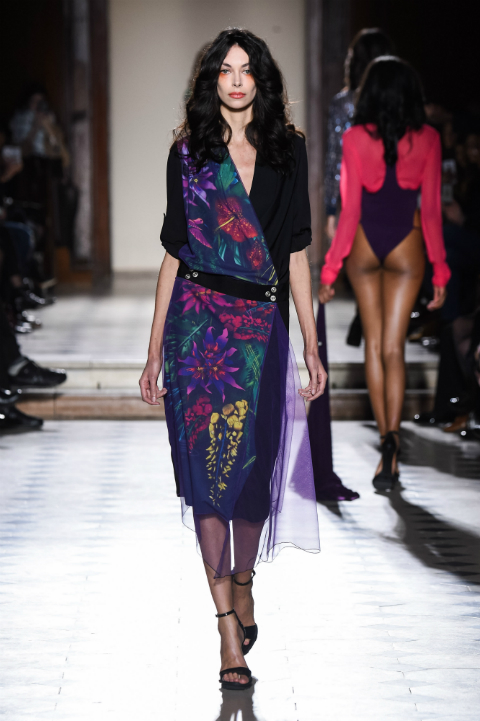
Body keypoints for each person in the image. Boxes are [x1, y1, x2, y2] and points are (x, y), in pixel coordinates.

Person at [140, 29, 324, 691]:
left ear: (261, 79)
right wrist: (154, 350)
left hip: (261, 332)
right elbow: (174, 252)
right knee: (207, 481)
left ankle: (242, 579)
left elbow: (295, 252)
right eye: (226, 69)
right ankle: (225, 628)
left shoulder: (288, 150)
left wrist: (310, 342)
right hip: (199, 334)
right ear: (211, 79)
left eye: (247, 69)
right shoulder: (189, 154)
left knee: (252, 482)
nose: (237, 80)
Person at [318, 57, 450, 491]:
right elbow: (431, 212)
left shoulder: (355, 138)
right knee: (395, 348)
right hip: (406, 244)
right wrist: (440, 269)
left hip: (364, 244)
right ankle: (393, 441)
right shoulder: (429, 138)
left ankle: (383, 443)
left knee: (373, 347)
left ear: (369, 94)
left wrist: (330, 268)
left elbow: (350, 209)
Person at [324, 28, 393, 241]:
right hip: (396, 193)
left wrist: (330, 210)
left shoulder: (343, 103)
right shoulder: (398, 101)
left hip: (356, 197)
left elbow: (336, 159)